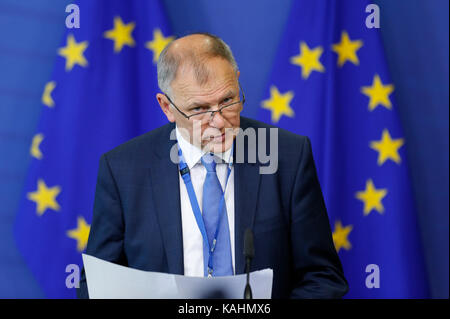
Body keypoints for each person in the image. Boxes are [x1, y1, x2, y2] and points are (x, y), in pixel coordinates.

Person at [77, 33, 348, 298]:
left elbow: (323, 277)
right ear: (166, 107)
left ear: (237, 81)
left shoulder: (287, 157)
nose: (218, 121)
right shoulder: (123, 170)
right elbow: (97, 284)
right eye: (199, 109)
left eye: (228, 100)